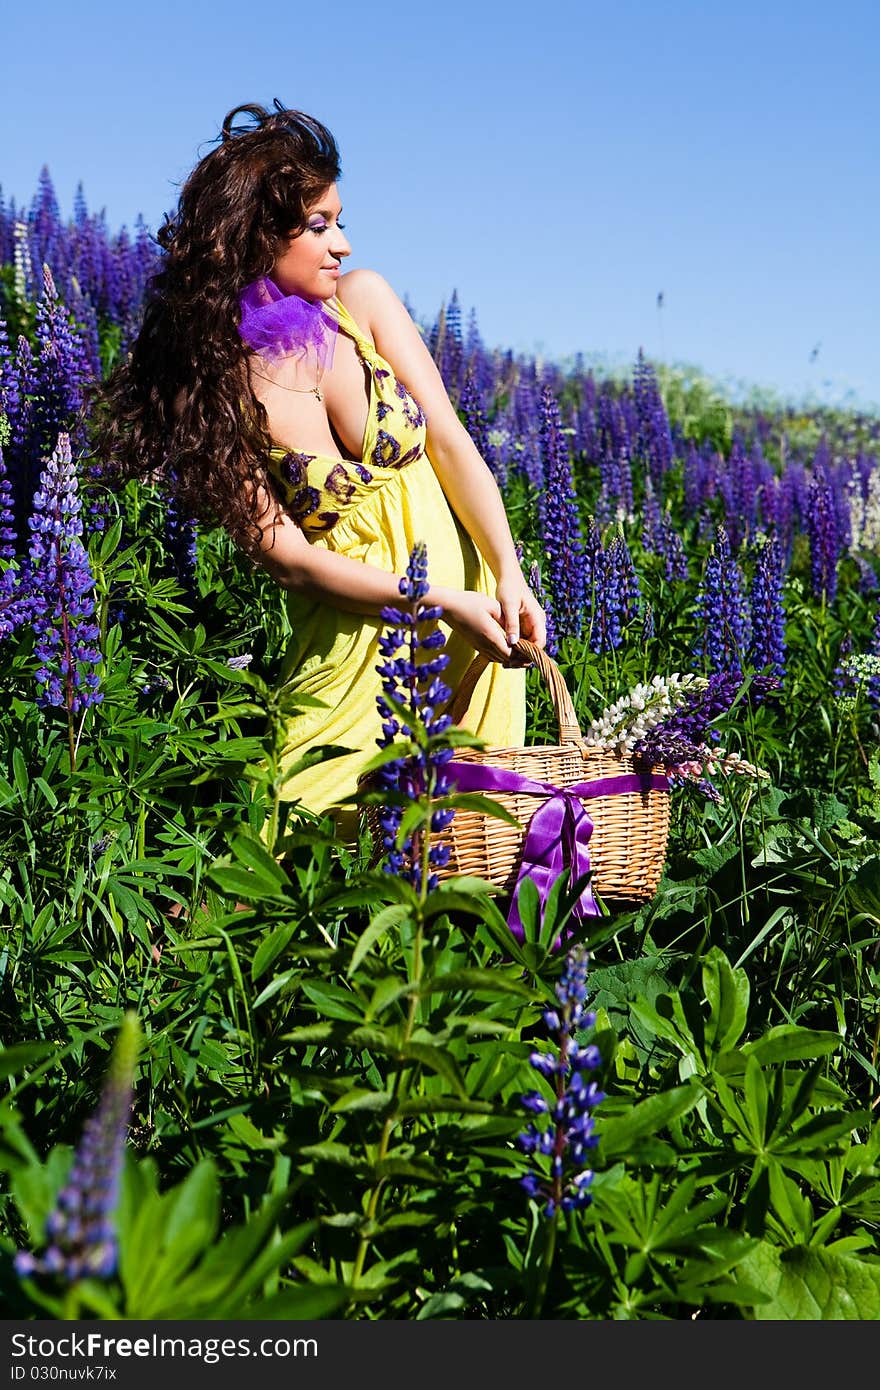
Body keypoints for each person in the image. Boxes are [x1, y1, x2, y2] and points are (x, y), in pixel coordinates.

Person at [91, 100, 546, 842]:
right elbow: (291, 562)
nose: (341, 243)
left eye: (338, 220)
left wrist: (506, 572)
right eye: (318, 226)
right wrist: (435, 603)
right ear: (256, 236)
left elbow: (454, 444)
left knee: (469, 856)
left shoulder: (363, 304)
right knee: (293, 842)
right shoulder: (216, 380)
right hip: (359, 638)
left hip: (471, 620)